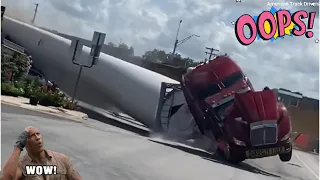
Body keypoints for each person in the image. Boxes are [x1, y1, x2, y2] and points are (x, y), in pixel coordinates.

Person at [1, 126, 82, 180]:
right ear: (25, 142)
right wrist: (18, 147)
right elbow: (6, 178)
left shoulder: (62, 159)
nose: (37, 138)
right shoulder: (21, 165)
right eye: (32, 135)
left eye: (38, 134)